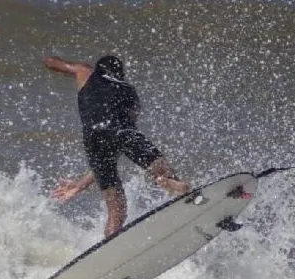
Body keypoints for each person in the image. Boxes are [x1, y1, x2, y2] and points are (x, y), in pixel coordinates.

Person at [44, 55, 189, 237]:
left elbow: (59, 64)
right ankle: (169, 183)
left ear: (98, 70)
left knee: (117, 212)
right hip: (122, 131)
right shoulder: (130, 93)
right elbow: (124, 138)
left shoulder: (86, 74)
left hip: (92, 137)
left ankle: (110, 243)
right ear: (120, 75)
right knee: (164, 173)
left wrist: (47, 61)